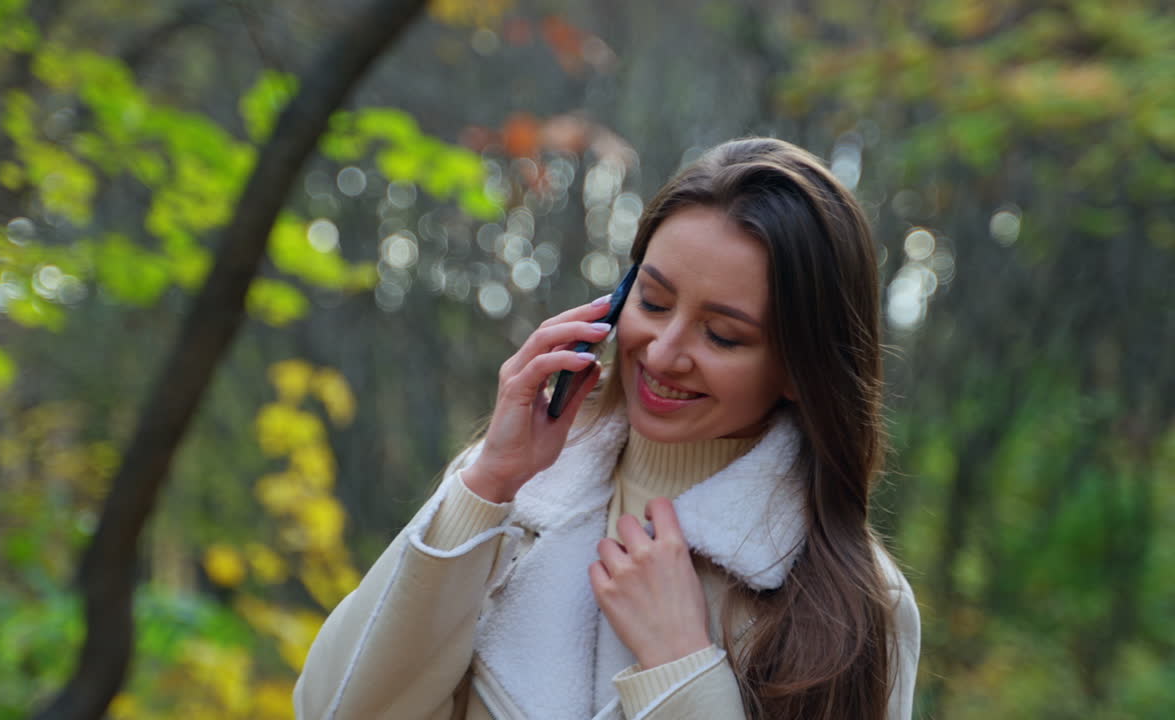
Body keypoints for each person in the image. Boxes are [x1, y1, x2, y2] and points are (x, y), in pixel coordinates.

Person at [294, 138, 921, 720]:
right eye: (652, 301)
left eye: (723, 334)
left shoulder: (857, 606)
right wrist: (486, 483)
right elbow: (331, 707)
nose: (663, 352)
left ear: (799, 370)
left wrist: (682, 669)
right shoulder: (505, 496)